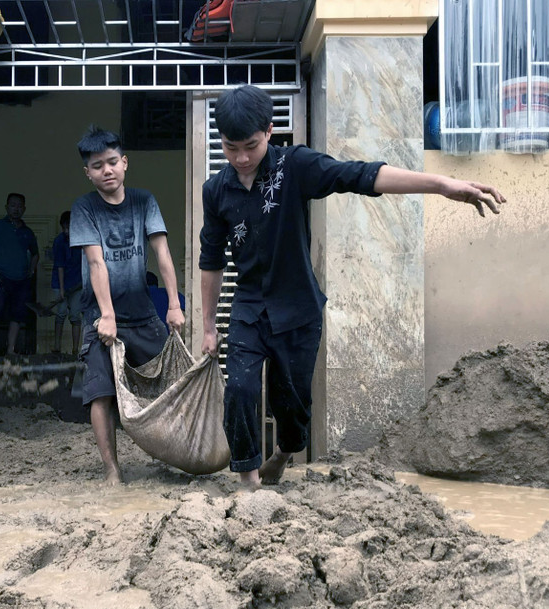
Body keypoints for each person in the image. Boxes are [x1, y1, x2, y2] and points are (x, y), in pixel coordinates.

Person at [198, 85, 506, 490]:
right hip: (249, 309)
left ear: (270, 132)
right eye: (230, 147)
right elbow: (211, 261)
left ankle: (284, 451)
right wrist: (207, 326)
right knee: (238, 389)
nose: (240, 158)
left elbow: (361, 175)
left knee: (290, 402)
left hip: (297, 310)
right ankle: (249, 484)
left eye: (250, 146)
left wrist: (442, 184)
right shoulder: (216, 190)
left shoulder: (296, 166)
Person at [71, 125, 185, 485]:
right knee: (100, 393)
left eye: (111, 162)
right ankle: (112, 472)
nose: (106, 170)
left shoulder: (144, 201)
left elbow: (163, 253)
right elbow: (95, 262)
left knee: (177, 380)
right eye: (97, 165)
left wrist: (173, 305)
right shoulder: (84, 207)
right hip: (98, 317)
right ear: (87, 172)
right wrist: (106, 316)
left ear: (124, 162)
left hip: (142, 313)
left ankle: (183, 454)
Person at [0, 193, 39, 359]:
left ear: (24, 209)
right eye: (13, 205)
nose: (16, 209)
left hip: (21, 280)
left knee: (17, 316)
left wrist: (31, 271)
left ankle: (10, 350)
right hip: (0, 278)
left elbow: (35, 254)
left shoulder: (28, 232)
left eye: (19, 206)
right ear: (6, 207)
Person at [51, 210, 84, 355]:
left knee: (75, 315)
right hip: (60, 283)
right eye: (64, 228)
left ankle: (76, 349)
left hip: (78, 284)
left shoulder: (84, 241)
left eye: (69, 227)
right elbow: (60, 267)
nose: (66, 231)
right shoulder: (59, 241)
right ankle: (57, 347)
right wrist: (62, 290)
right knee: (61, 313)